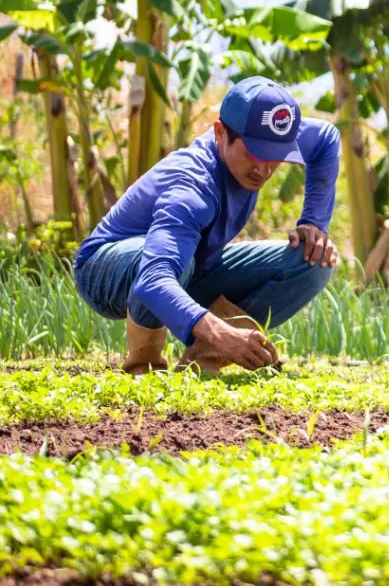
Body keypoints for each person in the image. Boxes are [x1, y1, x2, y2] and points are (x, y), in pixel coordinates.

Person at [73, 76, 341, 375]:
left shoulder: (270, 137)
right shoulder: (191, 189)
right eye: (254, 154)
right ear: (219, 133)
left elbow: (325, 139)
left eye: (276, 158)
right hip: (104, 271)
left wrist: (314, 222)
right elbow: (153, 278)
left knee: (313, 260)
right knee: (176, 260)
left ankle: (202, 364)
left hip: (190, 265)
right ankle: (144, 366)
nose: (264, 170)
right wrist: (221, 331)